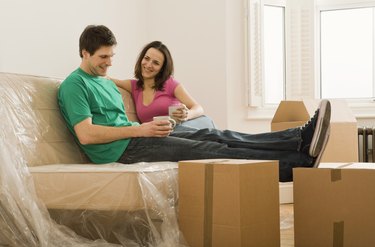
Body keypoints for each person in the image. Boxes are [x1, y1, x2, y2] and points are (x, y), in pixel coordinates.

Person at [58, 25, 331, 182]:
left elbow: (127, 91)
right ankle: (295, 165)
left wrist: (152, 125)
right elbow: (87, 133)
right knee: (210, 149)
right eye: (103, 57)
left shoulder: (105, 80)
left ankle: (298, 139)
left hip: (136, 137)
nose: (109, 63)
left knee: (216, 134)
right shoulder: (74, 85)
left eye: (112, 56)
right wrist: (140, 130)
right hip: (121, 151)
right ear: (84, 53)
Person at [111, 41, 215, 132]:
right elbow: (107, 79)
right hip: (162, 137)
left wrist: (187, 114)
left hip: (184, 127)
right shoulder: (134, 86)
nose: (148, 65)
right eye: (146, 58)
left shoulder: (170, 83)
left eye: (156, 63)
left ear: (162, 68)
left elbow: (199, 108)